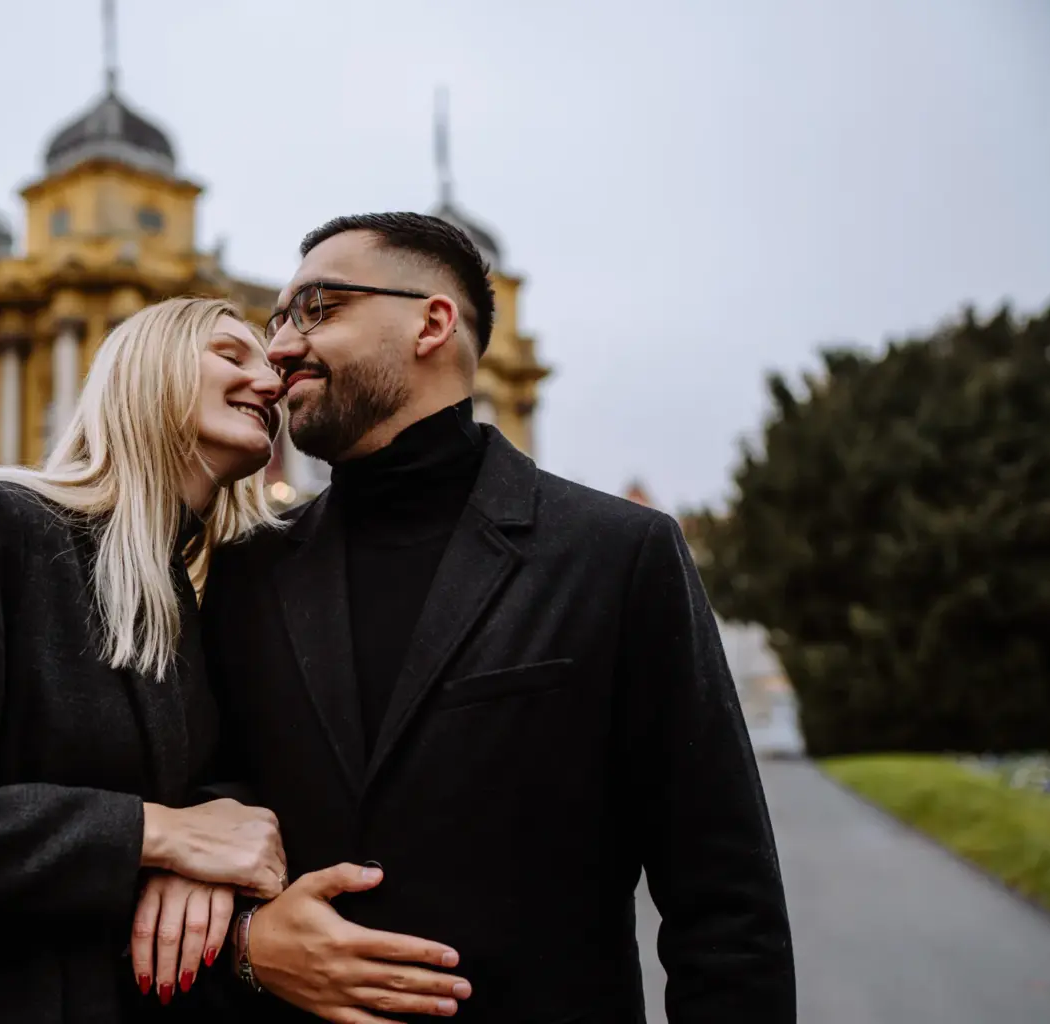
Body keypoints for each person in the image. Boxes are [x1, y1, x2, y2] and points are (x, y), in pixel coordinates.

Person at [194, 213, 796, 1022]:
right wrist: (248, 940)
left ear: (432, 322)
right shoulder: (246, 570)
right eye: (278, 321)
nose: (281, 348)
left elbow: (725, 900)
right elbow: (204, 817)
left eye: (318, 309)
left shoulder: (617, 554)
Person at [0, 297, 292, 1022]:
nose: (271, 381)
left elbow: (196, 783)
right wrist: (156, 835)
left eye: (270, 364)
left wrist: (209, 832)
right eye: (232, 354)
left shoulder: (188, 589)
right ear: (149, 372)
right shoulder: (1, 523)